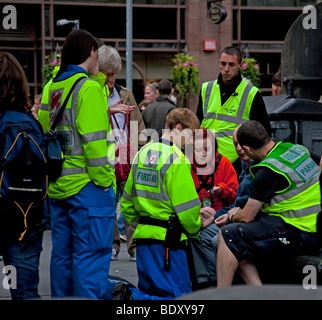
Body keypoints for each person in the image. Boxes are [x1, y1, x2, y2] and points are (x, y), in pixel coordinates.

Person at [38, 29, 116, 299]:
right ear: (90, 53)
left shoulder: (52, 86)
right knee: (91, 255)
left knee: (62, 254)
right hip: (88, 187)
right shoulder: (90, 88)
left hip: (59, 184)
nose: (99, 63)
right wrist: (105, 182)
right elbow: (95, 143)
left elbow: (43, 129)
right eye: (97, 54)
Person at [216, 120, 321, 287]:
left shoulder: (267, 170)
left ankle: (219, 296)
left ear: (247, 148)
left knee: (229, 235)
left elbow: (247, 217)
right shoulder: (294, 149)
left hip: (299, 232)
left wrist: (232, 215)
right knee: (241, 243)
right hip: (315, 226)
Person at [119, 108, 201, 300]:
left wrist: (143, 224)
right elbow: (188, 209)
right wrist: (196, 229)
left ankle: (130, 297)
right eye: (191, 135)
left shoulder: (142, 154)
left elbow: (127, 202)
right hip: (168, 244)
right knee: (176, 299)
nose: (191, 141)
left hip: (144, 240)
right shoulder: (176, 159)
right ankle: (127, 297)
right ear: (179, 128)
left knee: (149, 291)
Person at [98, 44, 147, 262]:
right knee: (109, 204)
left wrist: (140, 151)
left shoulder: (125, 94)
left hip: (127, 156)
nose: (111, 79)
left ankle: (134, 245)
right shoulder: (94, 94)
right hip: (106, 157)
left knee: (131, 203)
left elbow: (138, 125)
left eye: (114, 74)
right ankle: (113, 244)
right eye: (107, 74)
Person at [196, 46, 271, 173]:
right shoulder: (206, 88)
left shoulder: (251, 93)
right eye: (223, 64)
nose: (226, 69)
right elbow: (198, 122)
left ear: (240, 65)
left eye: (231, 64)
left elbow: (264, 131)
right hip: (206, 158)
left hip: (236, 162)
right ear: (219, 62)